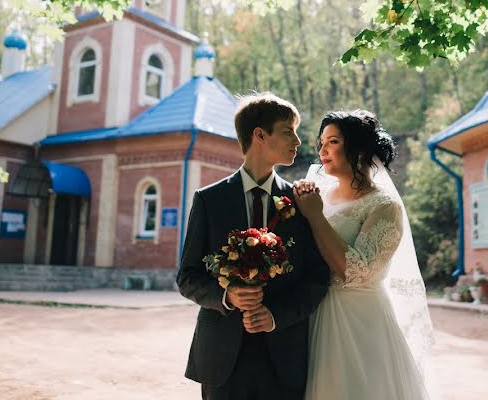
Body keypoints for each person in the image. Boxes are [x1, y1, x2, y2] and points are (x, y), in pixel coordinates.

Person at [177, 92, 331, 400]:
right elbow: (188, 277)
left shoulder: (301, 202)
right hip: (222, 356)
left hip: (284, 355)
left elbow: (317, 279)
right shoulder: (209, 200)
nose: (298, 141)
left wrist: (275, 316)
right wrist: (227, 296)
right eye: (288, 131)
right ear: (259, 134)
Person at [294, 109, 433, 400]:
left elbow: (357, 271)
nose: (322, 150)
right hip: (312, 311)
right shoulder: (316, 194)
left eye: (332, 141)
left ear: (357, 147)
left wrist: (315, 217)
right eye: (321, 142)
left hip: (359, 323)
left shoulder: (383, 206)